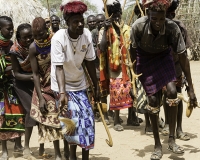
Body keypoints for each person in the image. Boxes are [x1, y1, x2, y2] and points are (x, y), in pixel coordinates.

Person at [130, 0, 197, 159]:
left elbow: (183, 58)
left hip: (163, 58)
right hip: (145, 60)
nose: (158, 23)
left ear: (166, 16)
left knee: (173, 91)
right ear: (148, 16)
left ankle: (172, 139)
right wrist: (133, 78)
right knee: (152, 100)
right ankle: (157, 145)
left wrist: (191, 88)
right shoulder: (138, 26)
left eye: (161, 19)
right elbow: (132, 53)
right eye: (154, 19)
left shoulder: (173, 28)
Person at [51, 0, 99, 159]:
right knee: (73, 120)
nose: (79, 24)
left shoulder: (86, 35)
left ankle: (84, 157)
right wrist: (63, 93)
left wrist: (96, 86)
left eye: (81, 21)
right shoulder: (58, 38)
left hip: (80, 84)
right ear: (67, 23)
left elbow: (91, 62)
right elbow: (59, 68)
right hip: (62, 85)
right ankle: (71, 156)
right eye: (75, 22)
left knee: (88, 120)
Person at [99, 0, 142, 131]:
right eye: (112, 14)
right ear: (108, 15)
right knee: (116, 91)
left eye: (118, 14)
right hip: (114, 67)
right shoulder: (104, 30)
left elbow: (134, 47)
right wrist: (106, 29)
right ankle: (117, 119)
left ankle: (131, 117)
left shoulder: (128, 29)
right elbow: (101, 48)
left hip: (128, 65)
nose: (116, 17)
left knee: (130, 90)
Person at [29, 17, 65, 160]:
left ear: (47, 29)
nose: (38, 38)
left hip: (61, 84)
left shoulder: (56, 41)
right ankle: (57, 154)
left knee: (65, 118)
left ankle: (67, 151)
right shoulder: (33, 48)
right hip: (45, 87)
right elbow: (35, 73)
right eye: (35, 36)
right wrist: (40, 97)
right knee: (52, 120)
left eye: (41, 34)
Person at [162, 0, 193, 141]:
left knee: (178, 96)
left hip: (176, 66)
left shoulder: (180, 27)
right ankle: (168, 124)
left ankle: (179, 128)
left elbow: (183, 54)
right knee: (166, 95)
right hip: (161, 66)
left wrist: (190, 85)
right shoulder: (157, 25)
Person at [0, 16, 24, 160]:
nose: (11, 31)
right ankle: (4, 150)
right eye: (8, 28)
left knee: (18, 114)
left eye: (11, 28)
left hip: (14, 86)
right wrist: (12, 67)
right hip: (1, 88)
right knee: (2, 118)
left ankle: (18, 145)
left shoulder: (13, 46)